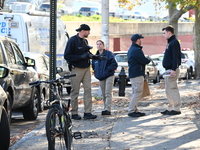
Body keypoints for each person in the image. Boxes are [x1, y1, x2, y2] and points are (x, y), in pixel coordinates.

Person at [64, 24, 97, 120]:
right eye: (88, 31)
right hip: (76, 68)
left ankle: (88, 112)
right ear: (82, 31)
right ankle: (74, 112)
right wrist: (80, 57)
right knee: (75, 91)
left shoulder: (85, 41)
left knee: (88, 90)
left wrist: (95, 57)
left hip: (86, 68)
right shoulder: (72, 41)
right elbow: (67, 56)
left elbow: (87, 54)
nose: (89, 33)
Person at [127, 34, 151, 117]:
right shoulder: (136, 50)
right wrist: (148, 59)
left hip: (134, 73)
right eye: (140, 39)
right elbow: (143, 60)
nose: (141, 41)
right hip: (137, 74)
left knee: (135, 92)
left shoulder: (133, 49)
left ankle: (135, 109)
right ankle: (131, 110)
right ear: (137, 40)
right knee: (137, 92)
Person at [92, 40, 118, 115]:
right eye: (97, 44)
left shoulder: (109, 54)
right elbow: (94, 66)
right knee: (103, 93)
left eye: (100, 44)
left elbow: (114, 64)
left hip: (109, 75)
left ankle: (108, 109)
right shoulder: (95, 56)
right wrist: (97, 72)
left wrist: (107, 70)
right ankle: (105, 107)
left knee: (108, 92)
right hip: (101, 77)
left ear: (103, 45)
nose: (99, 45)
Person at [161, 25, 182, 115]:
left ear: (169, 32)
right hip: (168, 70)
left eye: (164, 33)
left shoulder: (174, 42)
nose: (163, 35)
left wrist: (173, 69)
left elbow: (176, 57)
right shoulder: (170, 42)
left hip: (172, 70)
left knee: (173, 88)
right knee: (168, 89)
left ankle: (177, 108)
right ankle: (170, 107)